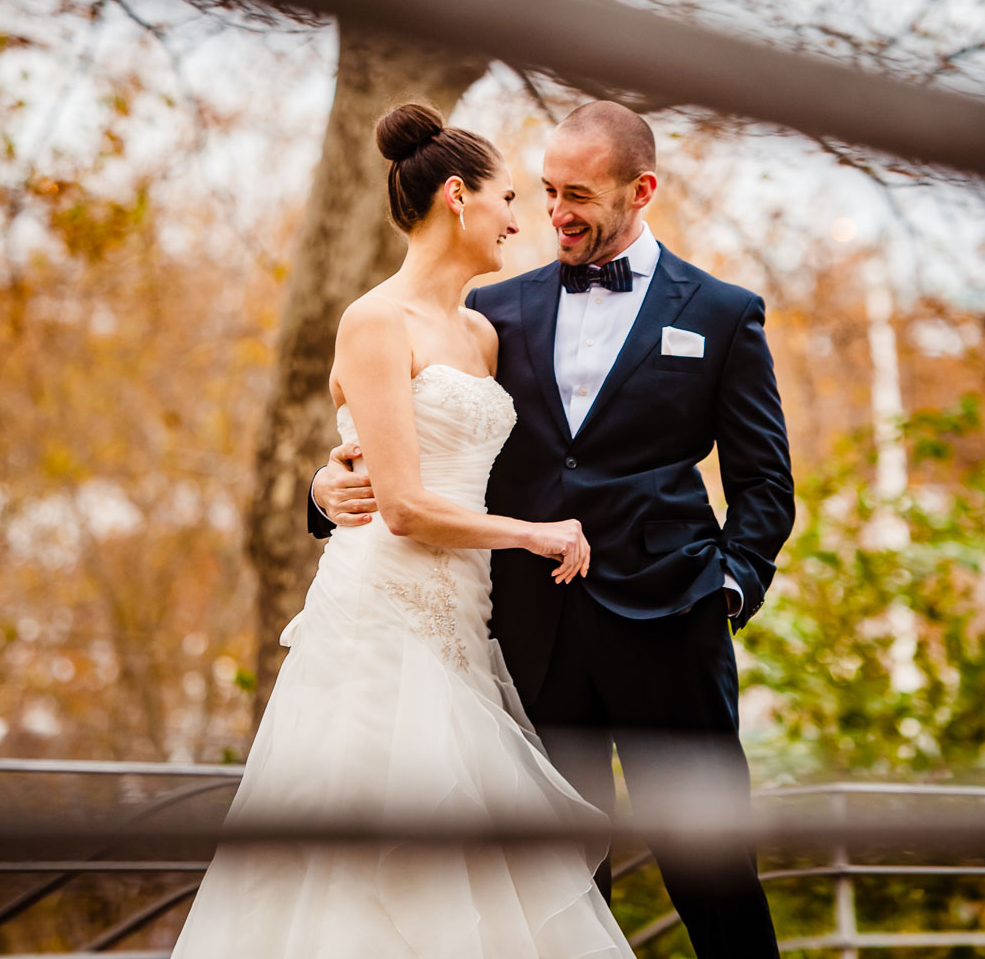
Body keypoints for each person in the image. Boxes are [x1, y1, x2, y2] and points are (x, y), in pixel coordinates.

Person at [310, 100, 795, 958]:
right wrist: (322, 491)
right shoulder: (493, 313)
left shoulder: (721, 313)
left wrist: (728, 585)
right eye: (544, 191)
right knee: (557, 883)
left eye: (578, 194)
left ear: (641, 190)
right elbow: (408, 444)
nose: (555, 214)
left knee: (712, 872)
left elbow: (764, 482)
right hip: (528, 635)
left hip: (671, 623)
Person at [171, 102, 636, 958]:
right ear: (457, 197)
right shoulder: (373, 319)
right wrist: (532, 534)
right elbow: (403, 502)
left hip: (465, 616)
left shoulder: (484, 334)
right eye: (506, 197)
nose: (517, 218)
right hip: (380, 613)